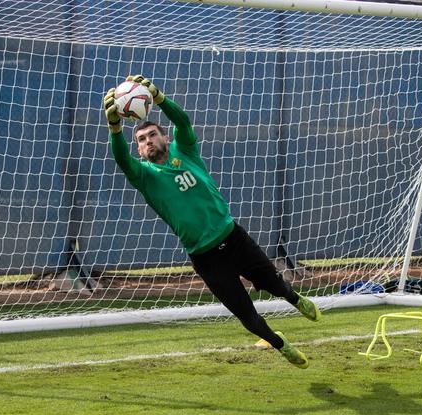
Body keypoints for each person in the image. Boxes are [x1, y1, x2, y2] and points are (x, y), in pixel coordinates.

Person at [103, 75, 321, 368]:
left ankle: (296, 300)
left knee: (276, 285)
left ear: (164, 138)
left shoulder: (186, 151)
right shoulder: (143, 176)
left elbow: (182, 121)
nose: (148, 141)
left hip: (233, 238)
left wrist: (158, 97)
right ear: (139, 150)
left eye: (153, 135)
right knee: (246, 315)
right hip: (204, 257)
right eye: (141, 140)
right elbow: (120, 158)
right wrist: (115, 127)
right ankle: (280, 345)